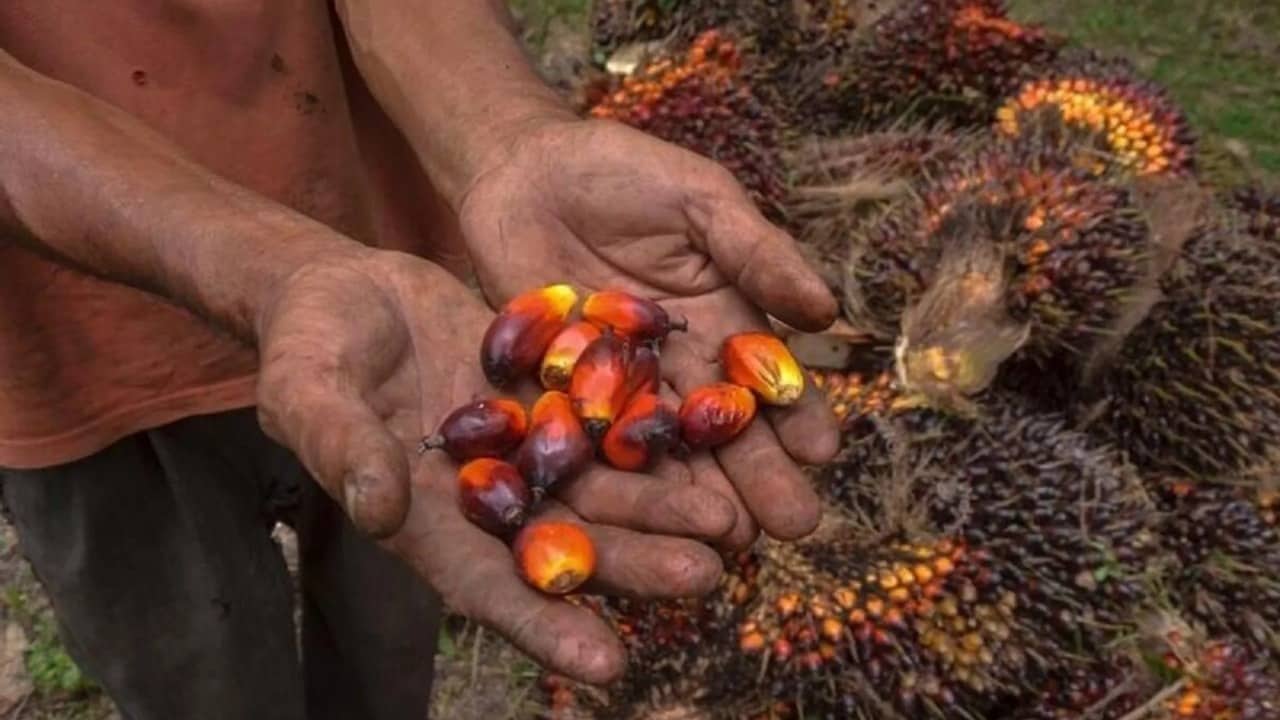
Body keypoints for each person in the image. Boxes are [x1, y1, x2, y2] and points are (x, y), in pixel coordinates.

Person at [0, 2, 840, 718]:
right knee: (199, 675)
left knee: (389, 632)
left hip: (398, 324)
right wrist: (267, 270)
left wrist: (505, 132)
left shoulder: (512, 389)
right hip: (75, 351)